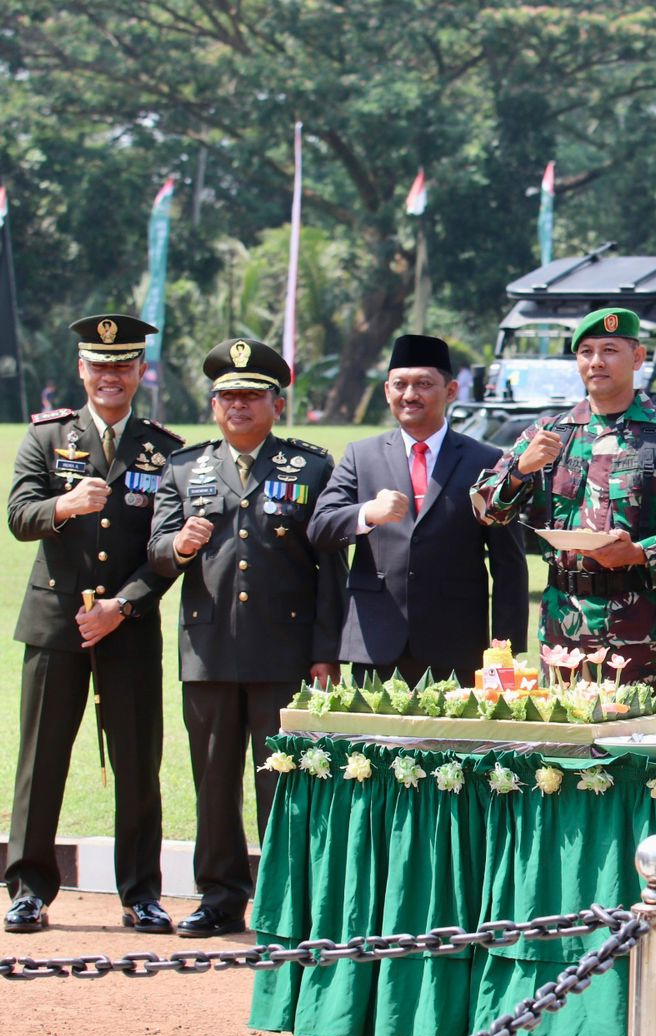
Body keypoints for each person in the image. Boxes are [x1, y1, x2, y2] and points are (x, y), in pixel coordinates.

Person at [148, 338, 347, 937]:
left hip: (282, 653)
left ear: (276, 404)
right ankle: (219, 896)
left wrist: (325, 652)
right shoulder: (184, 468)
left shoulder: (311, 468)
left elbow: (331, 571)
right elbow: (155, 552)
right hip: (207, 652)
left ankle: (286, 898)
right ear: (213, 404)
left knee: (281, 779)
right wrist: (177, 546)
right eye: (227, 396)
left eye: (251, 396)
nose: (238, 406)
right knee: (212, 780)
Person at [4, 314, 184, 934]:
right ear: (81, 370)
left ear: (140, 372)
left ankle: (141, 893)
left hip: (128, 627)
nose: (111, 376)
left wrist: (123, 606)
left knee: (138, 761)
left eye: (123, 365)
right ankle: (28, 889)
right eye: (99, 365)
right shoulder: (47, 438)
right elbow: (19, 515)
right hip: (56, 623)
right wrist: (63, 504)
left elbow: (167, 552)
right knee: (42, 758)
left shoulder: (167, 450)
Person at [472, 308, 656, 686]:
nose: (596, 362)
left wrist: (640, 553)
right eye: (586, 351)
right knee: (564, 740)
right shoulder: (549, 433)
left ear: (638, 357)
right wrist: (521, 471)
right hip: (562, 628)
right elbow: (487, 512)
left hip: (637, 631)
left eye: (610, 349)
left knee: (637, 741)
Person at [308, 334, 527, 685]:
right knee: (374, 741)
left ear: (451, 391)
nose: (410, 395)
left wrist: (506, 651)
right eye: (401, 384)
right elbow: (320, 529)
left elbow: (509, 564)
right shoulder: (360, 456)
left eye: (424, 384)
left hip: (455, 645)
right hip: (376, 644)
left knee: (449, 741)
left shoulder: (485, 461)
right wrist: (366, 514)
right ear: (386, 391)